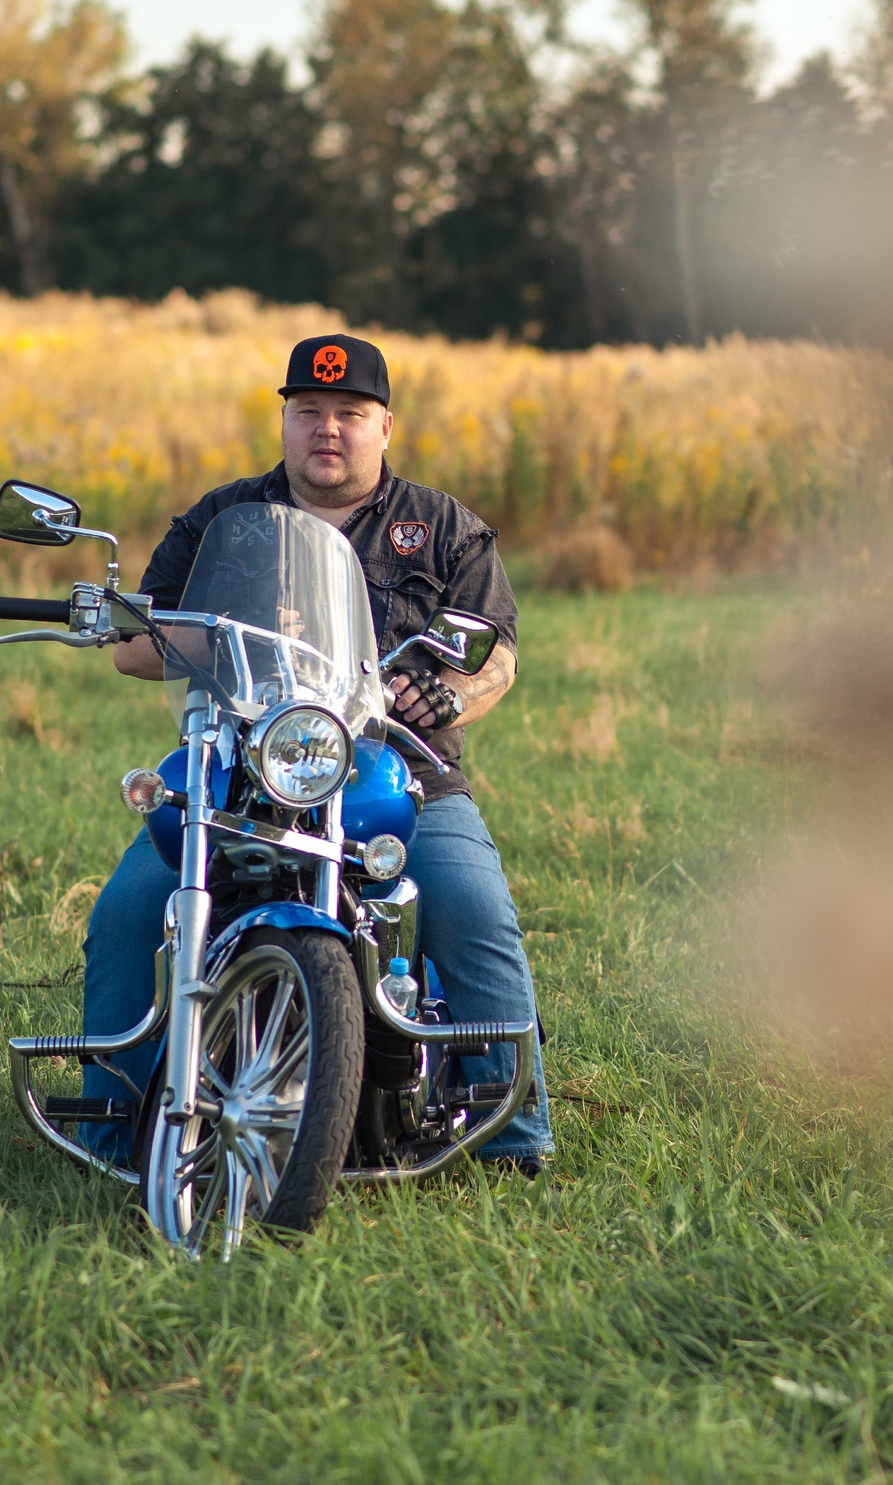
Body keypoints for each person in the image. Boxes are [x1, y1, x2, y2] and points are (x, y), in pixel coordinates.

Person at [79, 332, 551, 1176]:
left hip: (400, 773)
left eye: (348, 413)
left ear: (385, 426)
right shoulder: (224, 520)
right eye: (308, 412)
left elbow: (499, 655)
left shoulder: (442, 527)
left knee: (474, 912)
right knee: (125, 914)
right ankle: (111, 1134)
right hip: (239, 770)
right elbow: (133, 646)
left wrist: (450, 695)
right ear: (286, 422)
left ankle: (515, 1141)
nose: (327, 429)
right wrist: (201, 639)